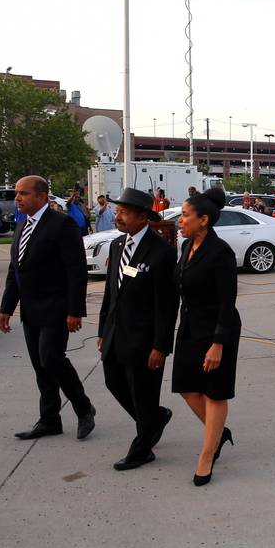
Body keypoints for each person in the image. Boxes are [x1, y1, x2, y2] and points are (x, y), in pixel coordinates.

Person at [0, 176, 96, 441]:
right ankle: (49, 419)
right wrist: (7, 307)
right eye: (17, 193)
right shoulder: (22, 224)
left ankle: (84, 407)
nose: (17, 198)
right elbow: (15, 270)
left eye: (23, 194)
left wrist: (75, 310)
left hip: (56, 307)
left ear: (42, 196)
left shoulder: (61, 224)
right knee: (40, 366)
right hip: (30, 310)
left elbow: (75, 271)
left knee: (51, 358)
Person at [98, 188, 179, 471]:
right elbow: (111, 293)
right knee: (113, 382)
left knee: (143, 394)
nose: (117, 217)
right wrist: (101, 330)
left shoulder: (162, 252)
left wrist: (160, 345)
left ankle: (142, 448)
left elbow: (167, 306)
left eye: (123, 213)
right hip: (115, 334)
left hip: (145, 340)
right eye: (117, 212)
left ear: (143, 218)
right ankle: (154, 419)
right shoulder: (117, 245)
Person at [173, 187, 241, 486]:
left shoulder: (220, 251)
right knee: (188, 388)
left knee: (214, 391)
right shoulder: (187, 247)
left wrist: (218, 344)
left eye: (185, 215)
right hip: (190, 325)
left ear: (203, 220)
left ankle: (206, 454)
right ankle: (219, 433)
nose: (180, 220)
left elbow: (228, 302)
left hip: (217, 329)